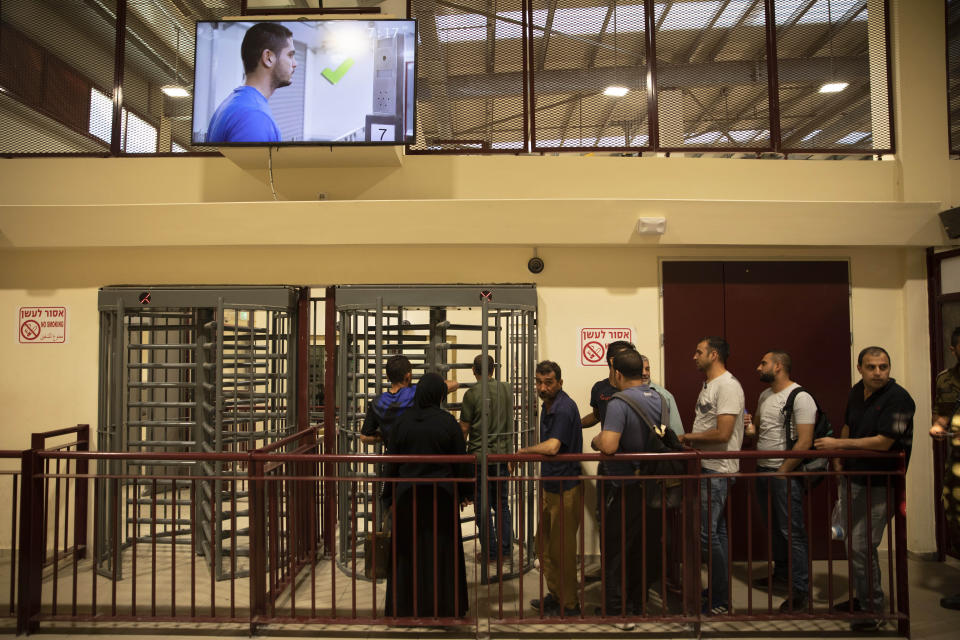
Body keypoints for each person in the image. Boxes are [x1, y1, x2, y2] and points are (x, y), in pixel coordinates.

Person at [815, 346, 915, 632]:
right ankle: (864, 599)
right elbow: (848, 424)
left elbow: (885, 442)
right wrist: (840, 460)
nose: (878, 372)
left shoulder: (900, 399)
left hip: (880, 483)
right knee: (852, 544)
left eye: (883, 367)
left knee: (862, 545)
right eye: (871, 367)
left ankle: (873, 609)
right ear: (860, 368)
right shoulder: (857, 391)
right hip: (853, 478)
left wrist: (838, 446)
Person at [383, 373, 474, 618]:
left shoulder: (402, 422)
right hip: (441, 497)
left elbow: (391, 464)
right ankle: (444, 608)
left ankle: (404, 608)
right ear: (439, 395)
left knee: (406, 553)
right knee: (442, 553)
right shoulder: (447, 422)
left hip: (406, 497)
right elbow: (460, 459)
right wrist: (465, 491)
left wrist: (388, 497)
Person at [590, 349, 664, 622]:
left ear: (617, 373)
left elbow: (609, 445)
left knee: (616, 549)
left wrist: (596, 441)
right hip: (652, 485)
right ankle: (637, 603)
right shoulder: (658, 398)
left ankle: (615, 608)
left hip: (623, 485)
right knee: (641, 548)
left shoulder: (619, 402)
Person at [679, 336, 745, 615]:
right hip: (708, 466)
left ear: (714, 355)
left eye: (699, 352)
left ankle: (719, 599)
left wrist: (686, 438)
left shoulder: (728, 386)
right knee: (716, 532)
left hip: (718, 469)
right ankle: (719, 591)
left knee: (708, 534)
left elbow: (723, 433)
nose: (694, 356)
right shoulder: (711, 383)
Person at [749, 350, 815, 612]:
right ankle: (782, 575)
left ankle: (800, 590)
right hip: (763, 469)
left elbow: (805, 441)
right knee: (775, 527)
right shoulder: (765, 395)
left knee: (792, 531)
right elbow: (756, 430)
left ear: (778, 366)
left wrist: (782, 471)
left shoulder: (801, 397)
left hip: (783, 473)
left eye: (763, 363)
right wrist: (749, 429)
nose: (758, 367)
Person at [516, 361, 583, 617]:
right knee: (543, 545)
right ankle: (557, 595)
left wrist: (522, 451)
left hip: (566, 488)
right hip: (552, 485)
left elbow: (553, 447)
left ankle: (570, 605)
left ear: (560, 383)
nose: (542, 387)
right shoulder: (548, 405)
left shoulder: (564, 408)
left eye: (548, 382)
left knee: (562, 551)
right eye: (539, 382)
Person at [459, 354, 514, 566]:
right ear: (493, 369)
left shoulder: (472, 394)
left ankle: (491, 552)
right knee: (502, 504)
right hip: (502, 456)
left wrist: (458, 457)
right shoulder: (507, 389)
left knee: (482, 507)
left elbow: (464, 428)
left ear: (474, 370)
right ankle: (506, 549)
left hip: (480, 458)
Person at [206, 22, 297, 143]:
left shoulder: (235, 103)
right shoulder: (254, 116)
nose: (295, 63)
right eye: (290, 55)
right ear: (268, 58)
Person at [360, 354, 457, 445]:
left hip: (393, 458)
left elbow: (364, 437)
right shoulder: (418, 393)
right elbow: (454, 384)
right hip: (417, 455)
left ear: (387, 377)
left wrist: (385, 436)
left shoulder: (377, 402)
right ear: (408, 376)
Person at [931, 327, 960, 610]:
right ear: (953, 349)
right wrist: (938, 428)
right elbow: (940, 413)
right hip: (957, 466)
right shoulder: (945, 380)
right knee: (958, 525)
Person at [581, 340, 637, 431]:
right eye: (626, 357)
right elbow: (597, 416)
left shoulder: (636, 389)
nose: (630, 360)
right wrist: (575, 424)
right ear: (612, 361)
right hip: (608, 443)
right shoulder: (599, 388)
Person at [640, 354, 684, 436]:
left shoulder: (665, 395)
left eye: (647, 369)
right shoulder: (626, 394)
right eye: (640, 370)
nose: (644, 373)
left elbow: (677, 432)